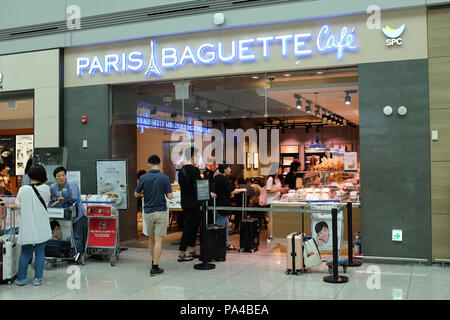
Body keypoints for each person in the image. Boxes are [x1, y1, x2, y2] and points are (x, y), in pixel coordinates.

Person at [12, 164, 52, 286]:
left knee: (25, 252)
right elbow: (46, 202)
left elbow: (17, 206)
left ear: (29, 175)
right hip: (41, 225)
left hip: (27, 225)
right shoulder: (46, 189)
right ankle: (38, 279)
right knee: (40, 252)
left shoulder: (23, 189)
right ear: (43, 175)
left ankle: (21, 279)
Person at [134, 155, 173, 276]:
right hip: (161, 211)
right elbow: (170, 196)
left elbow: (136, 194)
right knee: (159, 239)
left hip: (148, 212)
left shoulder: (144, 178)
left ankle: (153, 262)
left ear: (149, 164)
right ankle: (155, 266)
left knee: (150, 238)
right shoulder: (165, 178)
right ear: (159, 164)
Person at [177, 147, 210, 262]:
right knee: (189, 227)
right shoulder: (194, 170)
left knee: (193, 226)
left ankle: (192, 249)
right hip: (194, 203)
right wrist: (209, 192)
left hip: (185, 202)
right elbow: (200, 186)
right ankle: (182, 253)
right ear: (192, 156)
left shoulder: (181, 170)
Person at [49, 167, 87, 262]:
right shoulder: (53, 187)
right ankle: (67, 254)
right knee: (66, 236)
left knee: (77, 236)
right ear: (55, 177)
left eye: (63, 175)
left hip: (77, 214)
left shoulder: (71, 185)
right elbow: (53, 199)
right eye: (59, 176)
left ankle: (78, 256)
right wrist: (57, 200)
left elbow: (74, 199)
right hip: (63, 216)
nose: (61, 177)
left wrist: (64, 200)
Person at [212, 164, 247, 250]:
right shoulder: (224, 179)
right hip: (223, 205)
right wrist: (243, 190)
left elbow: (222, 190)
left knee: (226, 223)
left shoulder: (215, 178)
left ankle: (226, 242)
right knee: (220, 225)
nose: (230, 169)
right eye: (229, 168)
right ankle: (217, 244)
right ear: (224, 169)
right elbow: (232, 190)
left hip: (216, 204)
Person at [265, 162, 288, 242]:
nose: (281, 170)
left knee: (276, 220)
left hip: (277, 201)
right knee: (271, 220)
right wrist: (279, 189)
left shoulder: (278, 179)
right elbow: (268, 190)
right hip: (271, 202)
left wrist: (283, 191)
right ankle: (269, 237)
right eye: (280, 168)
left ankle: (274, 235)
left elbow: (278, 190)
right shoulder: (270, 179)